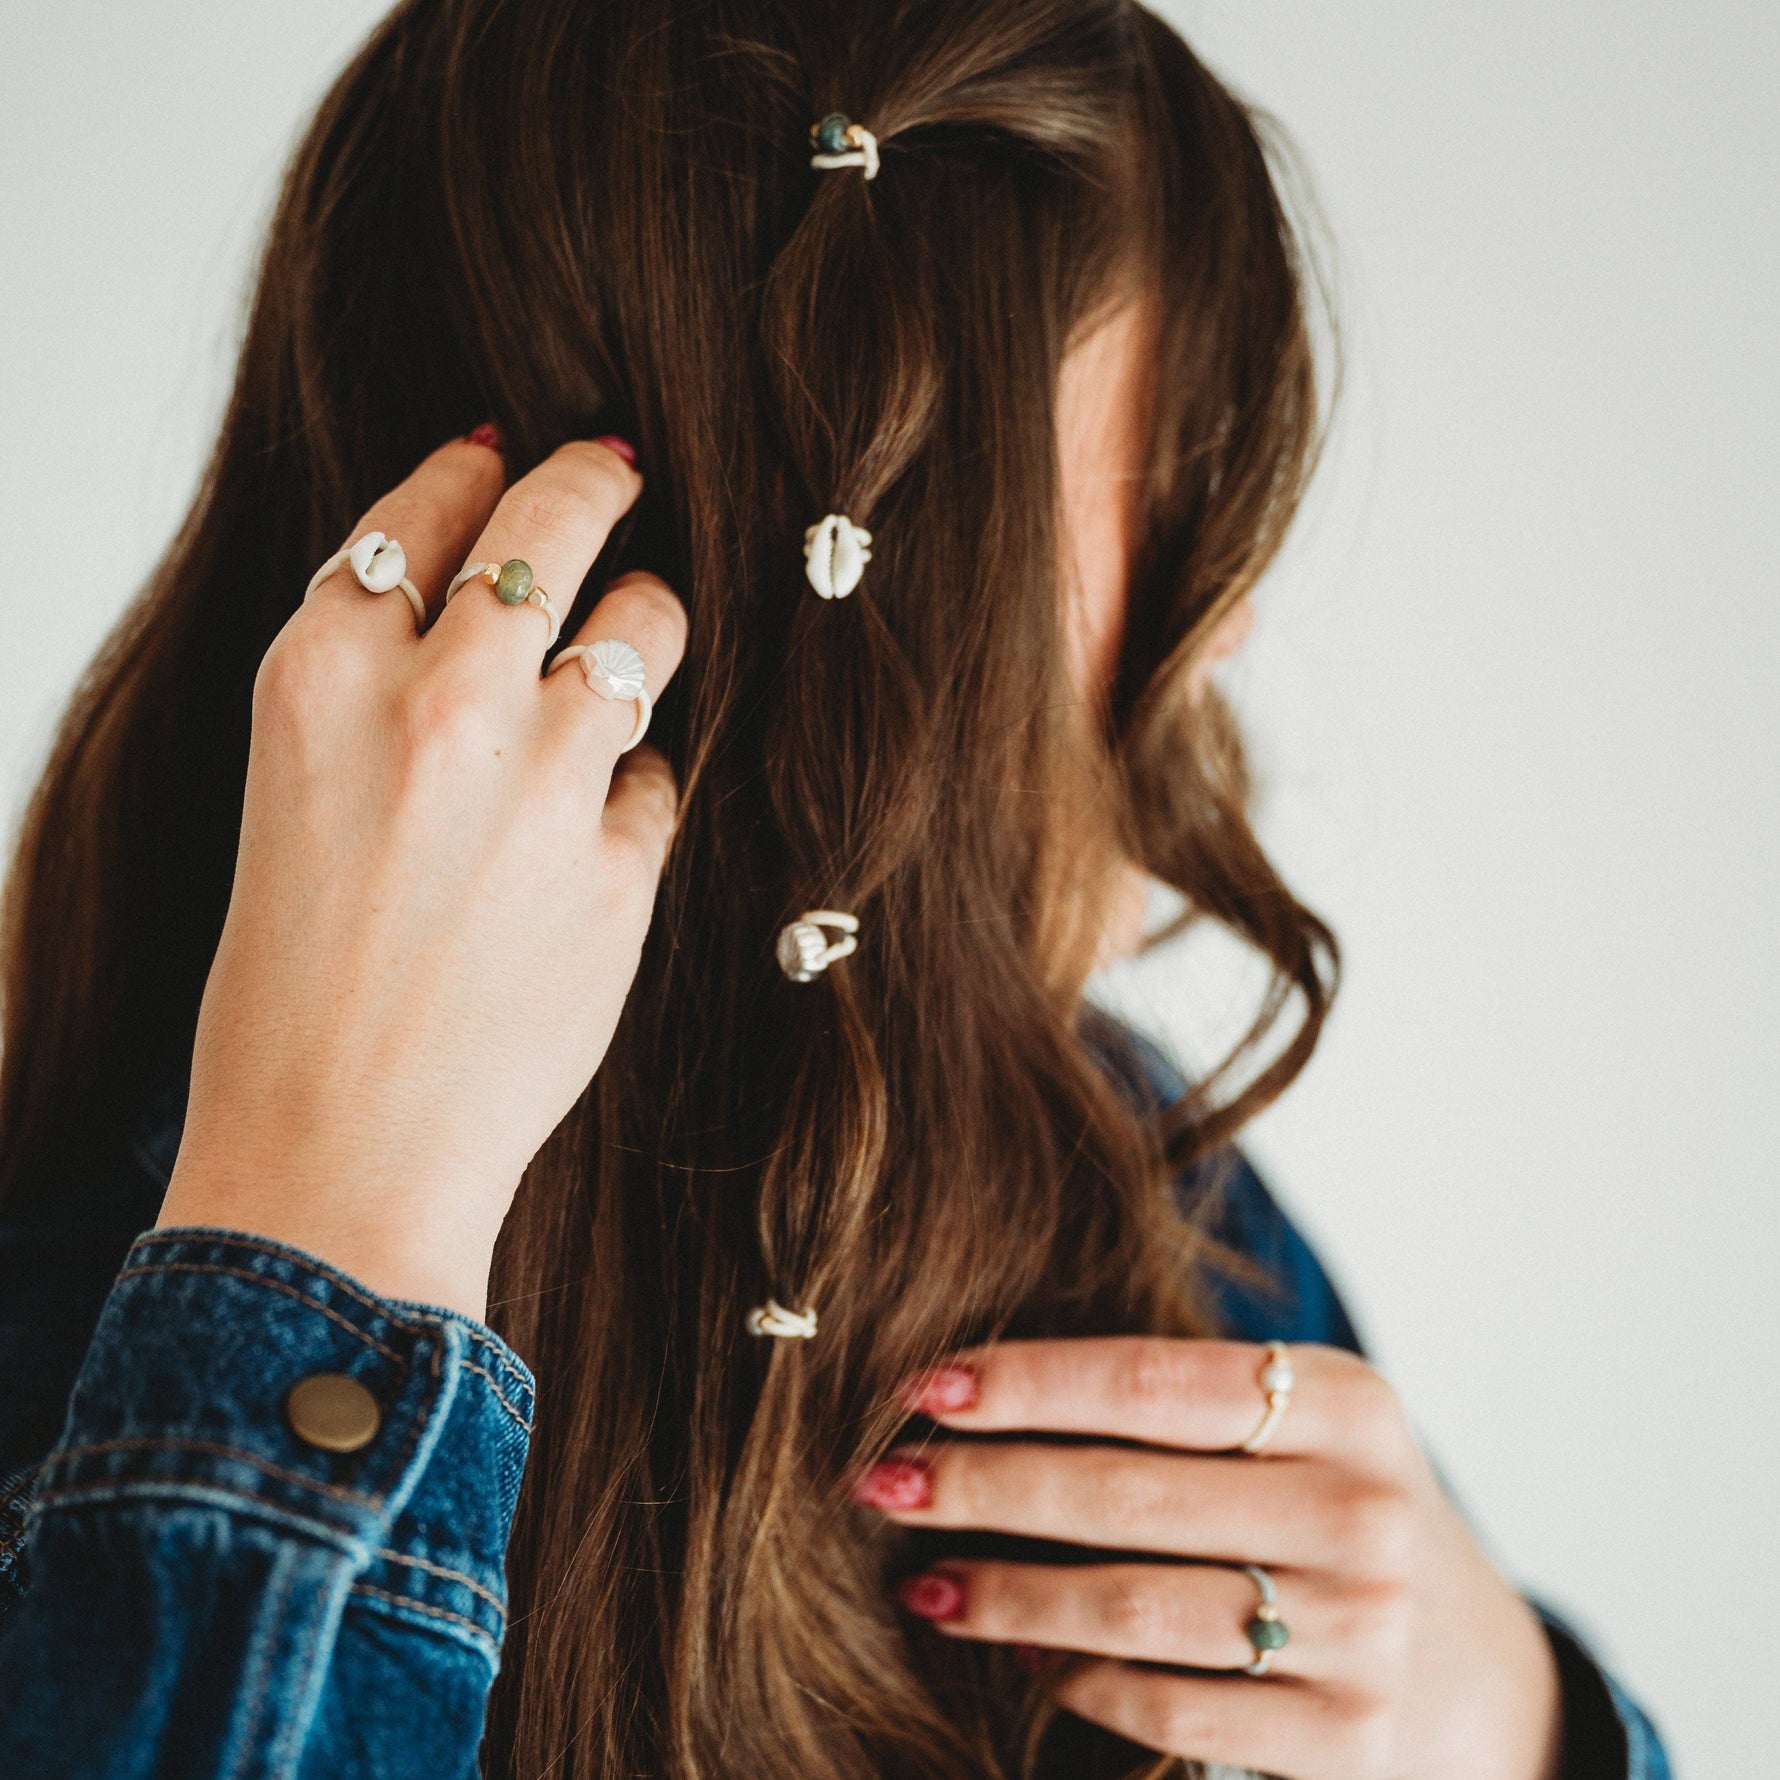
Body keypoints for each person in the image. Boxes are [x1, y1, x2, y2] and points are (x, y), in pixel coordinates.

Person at [0, 2, 1669, 1776]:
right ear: (844, 592)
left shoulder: (1129, 1197)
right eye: (1172, 494)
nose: (1228, 617)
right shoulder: (67, 1332)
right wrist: (320, 1247)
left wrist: (1520, 1716)